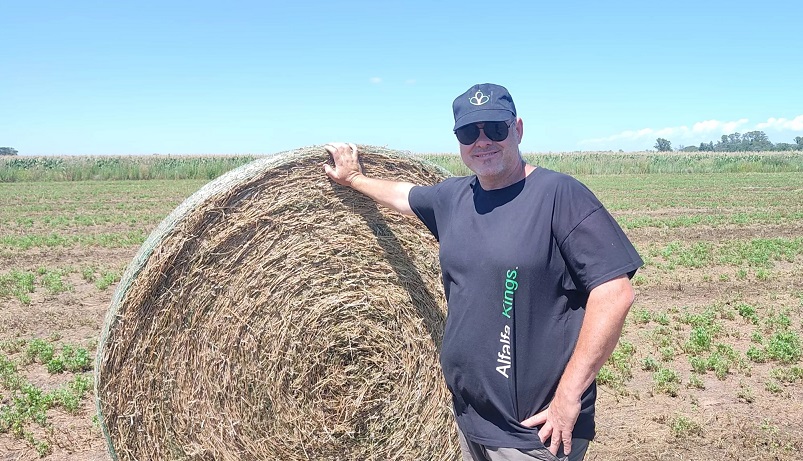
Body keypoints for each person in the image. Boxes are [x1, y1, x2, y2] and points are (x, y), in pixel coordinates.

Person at [323, 83, 643, 461]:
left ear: (517, 129)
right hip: (471, 420)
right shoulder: (453, 198)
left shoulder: (559, 195)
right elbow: (403, 195)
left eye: (495, 129)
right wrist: (355, 180)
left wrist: (568, 398)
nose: (483, 141)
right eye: (468, 132)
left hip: (532, 432)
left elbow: (614, 294)